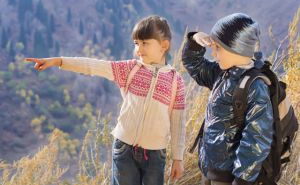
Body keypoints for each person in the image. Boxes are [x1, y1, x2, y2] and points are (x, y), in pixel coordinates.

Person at [26, 15, 186, 185]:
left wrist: (178, 158)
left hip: (155, 154)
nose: (139, 50)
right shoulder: (130, 69)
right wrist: (59, 61)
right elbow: (93, 66)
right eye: (136, 44)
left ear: (164, 45)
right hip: (124, 149)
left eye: (145, 43)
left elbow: (178, 122)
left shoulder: (175, 81)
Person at [182, 13, 273, 185]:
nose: (214, 54)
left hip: (228, 176)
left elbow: (256, 139)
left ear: (236, 48)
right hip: (209, 167)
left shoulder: (255, 87)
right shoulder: (221, 73)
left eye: (218, 48)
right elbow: (195, 66)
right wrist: (194, 41)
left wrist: (241, 180)